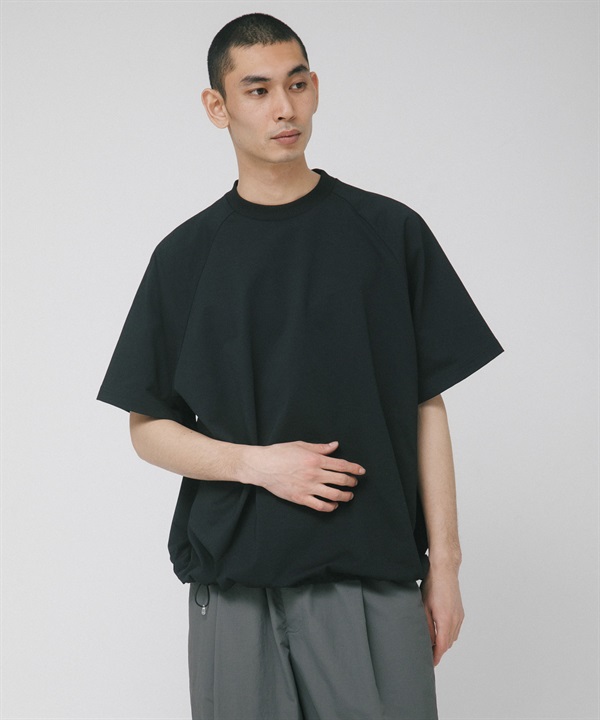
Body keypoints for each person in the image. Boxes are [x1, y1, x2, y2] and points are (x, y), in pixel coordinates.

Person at [97, 12, 504, 720]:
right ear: (217, 106)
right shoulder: (186, 257)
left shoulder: (388, 233)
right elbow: (147, 427)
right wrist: (258, 466)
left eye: (297, 84)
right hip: (235, 582)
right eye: (257, 90)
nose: (283, 108)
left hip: (368, 573)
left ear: (315, 88)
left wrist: (445, 565)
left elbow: (426, 406)